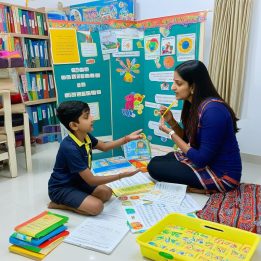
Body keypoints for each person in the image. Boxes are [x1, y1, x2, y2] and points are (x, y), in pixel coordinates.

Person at [147, 60, 242, 193]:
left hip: (222, 175)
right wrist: (172, 121)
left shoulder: (213, 111)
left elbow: (201, 160)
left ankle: (199, 189)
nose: (173, 87)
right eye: (174, 82)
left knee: (154, 167)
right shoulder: (192, 104)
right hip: (207, 161)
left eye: (178, 83)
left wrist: (170, 134)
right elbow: (187, 140)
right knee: (160, 160)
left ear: (193, 87)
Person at [48, 100, 142, 215]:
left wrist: (126, 139)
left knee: (106, 193)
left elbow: (104, 146)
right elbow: (91, 180)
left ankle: (78, 197)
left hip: (78, 182)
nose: (92, 118)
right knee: (97, 207)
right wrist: (121, 175)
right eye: (86, 117)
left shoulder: (85, 136)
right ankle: (59, 204)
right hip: (62, 188)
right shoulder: (69, 147)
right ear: (73, 125)